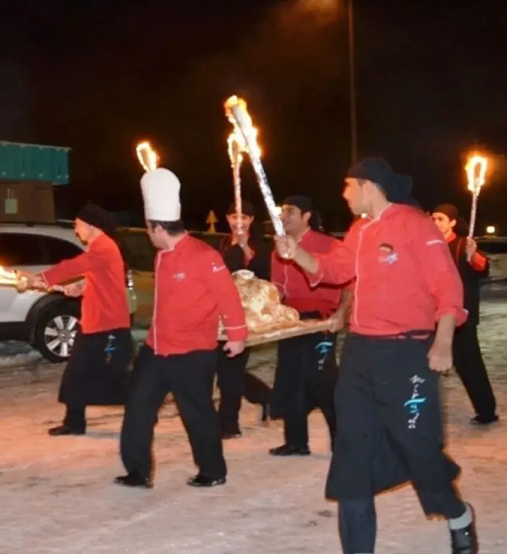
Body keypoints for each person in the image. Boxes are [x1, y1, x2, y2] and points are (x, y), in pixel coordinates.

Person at [275, 158, 477, 554]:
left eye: (349, 185)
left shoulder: (415, 225)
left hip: (407, 353)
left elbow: (447, 285)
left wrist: (443, 340)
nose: (344, 193)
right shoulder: (360, 230)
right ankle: (359, 552)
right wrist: (295, 254)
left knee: (415, 445)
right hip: (361, 352)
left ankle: (458, 515)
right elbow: (334, 269)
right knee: (353, 448)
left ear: (370, 186)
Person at [117, 167, 248, 489]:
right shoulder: (163, 256)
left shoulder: (204, 255)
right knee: (137, 408)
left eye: (149, 229)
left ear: (158, 227)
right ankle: (137, 470)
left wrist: (237, 336)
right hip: (156, 348)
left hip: (192, 353)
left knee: (197, 414)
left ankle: (213, 470)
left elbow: (228, 295)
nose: (148, 234)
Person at [17, 203, 133, 436]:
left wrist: (41, 277)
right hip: (92, 326)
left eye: (78, 225)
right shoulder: (100, 248)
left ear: (91, 226)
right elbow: (99, 277)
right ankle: (74, 422)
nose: (76, 230)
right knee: (75, 375)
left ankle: (143, 412)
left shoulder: (103, 247)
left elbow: (76, 265)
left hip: (109, 329)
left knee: (115, 376)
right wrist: (80, 287)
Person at [268, 195, 352, 457]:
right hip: (291, 319)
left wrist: (341, 313)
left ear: (306, 216)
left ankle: (343, 441)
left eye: (290, 211)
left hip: (320, 319)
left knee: (323, 379)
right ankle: (296, 441)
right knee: (291, 377)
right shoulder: (278, 250)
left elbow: (350, 284)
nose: (284, 216)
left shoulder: (329, 245)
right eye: (282, 211)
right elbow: (277, 290)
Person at [430, 204, 499, 426]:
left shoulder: (462, 245)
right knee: (426, 362)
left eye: (440, 219)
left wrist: (473, 256)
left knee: (469, 364)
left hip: (461, 317)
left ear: (452, 222)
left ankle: (486, 410)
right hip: (432, 315)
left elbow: (482, 268)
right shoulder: (430, 245)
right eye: (433, 218)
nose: (435, 223)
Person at [214, 201, 273, 439]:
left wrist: (245, 248)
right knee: (226, 367)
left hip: (249, 313)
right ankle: (266, 397)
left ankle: (228, 424)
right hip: (222, 311)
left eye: (245, 217)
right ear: (227, 218)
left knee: (230, 368)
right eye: (234, 216)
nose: (239, 221)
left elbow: (262, 273)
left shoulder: (260, 245)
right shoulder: (222, 244)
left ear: (251, 220)